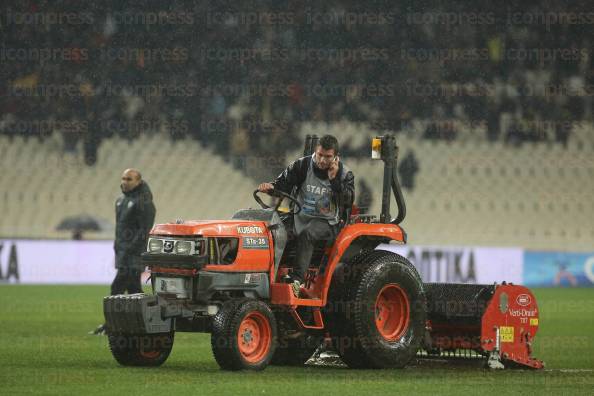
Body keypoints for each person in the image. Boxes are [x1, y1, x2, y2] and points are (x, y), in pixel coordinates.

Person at [258, 135, 354, 297]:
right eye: (319, 155)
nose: (322, 160)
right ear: (315, 152)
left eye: (328, 157)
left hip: (328, 223)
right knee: (273, 230)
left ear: (336, 157)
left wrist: (334, 181)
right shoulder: (301, 165)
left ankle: (297, 281)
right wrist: (271, 187)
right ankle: (267, 275)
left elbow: (348, 200)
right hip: (299, 217)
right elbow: (283, 184)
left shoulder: (345, 174)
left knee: (308, 233)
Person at [91, 168, 156, 335]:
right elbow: (120, 229)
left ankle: (111, 326)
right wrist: (118, 247)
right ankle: (145, 324)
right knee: (134, 291)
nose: (125, 182)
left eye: (129, 179)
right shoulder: (121, 201)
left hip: (135, 255)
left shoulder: (144, 202)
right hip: (123, 253)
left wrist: (130, 249)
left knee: (117, 288)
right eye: (123, 178)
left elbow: (144, 231)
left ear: (138, 182)